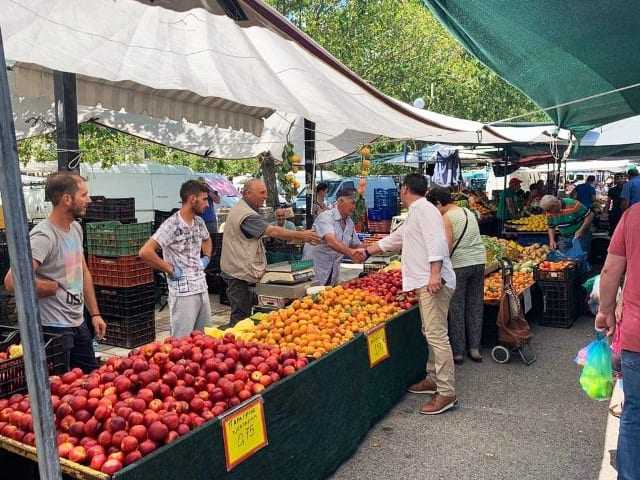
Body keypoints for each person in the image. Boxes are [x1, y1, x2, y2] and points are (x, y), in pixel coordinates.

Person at [357, 174, 457, 415]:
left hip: (432, 281)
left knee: (436, 335)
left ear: (404, 189)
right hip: (425, 280)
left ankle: (446, 392)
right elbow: (398, 238)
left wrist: (434, 274)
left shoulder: (425, 210)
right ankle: (433, 378)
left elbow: (438, 243)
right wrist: (368, 250)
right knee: (430, 331)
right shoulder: (417, 211)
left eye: (400, 189)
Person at [4, 173, 106, 373]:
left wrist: (95, 313)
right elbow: (11, 281)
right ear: (67, 199)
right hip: (54, 330)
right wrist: (46, 287)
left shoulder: (76, 228)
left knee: (91, 380)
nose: (89, 200)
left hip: (78, 323)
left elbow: (82, 271)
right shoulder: (44, 236)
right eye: (84, 195)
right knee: (61, 389)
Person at [220, 179, 320, 325]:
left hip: (239, 270)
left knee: (246, 313)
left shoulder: (244, 210)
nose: (265, 196)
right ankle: (236, 341)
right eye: (262, 192)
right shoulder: (246, 215)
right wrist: (302, 235)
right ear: (247, 193)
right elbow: (272, 231)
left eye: (266, 192)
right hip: (237, 273)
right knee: (240, 317)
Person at [596, 204, 640, 478]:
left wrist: (605, 311)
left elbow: (611, 270)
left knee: (635, 411)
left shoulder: (634, 215)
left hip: (637, 333)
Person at [139, 180, 213, 338]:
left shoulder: (199, 222)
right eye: (205, 199)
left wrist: (206, 258)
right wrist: (169, 268)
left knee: (205, 339)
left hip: (201, 286)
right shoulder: (171, 224)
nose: (207, 204)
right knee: (182, 342)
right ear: (193, 199)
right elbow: (145, 252)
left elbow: (207, 239)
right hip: (183, 293)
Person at [427, 186, 486, 364]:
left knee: (457, 307)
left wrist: (436, 268)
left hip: (460, 265)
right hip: (478, 262)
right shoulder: (468, 211)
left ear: (438, 203)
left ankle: (458, 352)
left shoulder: (446, 218)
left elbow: (448, 246)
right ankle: (475, 348)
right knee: (475, 304)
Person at [309, 189, 364, 286]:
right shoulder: (325, 217)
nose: (354, 207)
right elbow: (332, 242)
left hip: (333, 272)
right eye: (352, 203)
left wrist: (377, 248)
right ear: (340, 201)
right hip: (317, 269)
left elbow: (356, 245)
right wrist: (350, 253)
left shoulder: (349, 222)